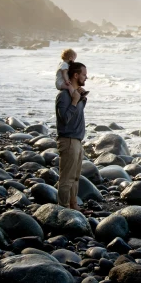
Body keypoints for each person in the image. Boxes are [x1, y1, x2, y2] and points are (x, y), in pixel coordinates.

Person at [55, 61, 88, 209]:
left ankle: (74, 207)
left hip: (77, 140)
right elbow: (64, 119)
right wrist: (74, 102)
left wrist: (81, 99)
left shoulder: (77, 95)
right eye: (84, 74)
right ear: (75, 75)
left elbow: (77, 116)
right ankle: (63, 210)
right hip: (68, 140)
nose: (86, 78)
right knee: (66, 179)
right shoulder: (63, 96)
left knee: (75, 178)